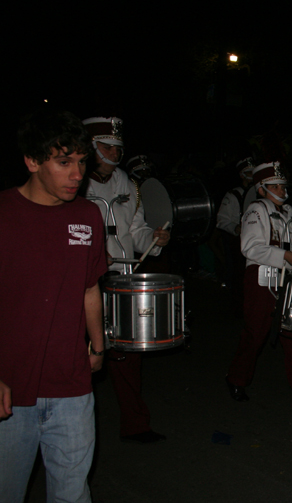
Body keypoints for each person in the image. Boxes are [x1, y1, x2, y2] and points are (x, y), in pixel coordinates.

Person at [0, 109, 107, 502]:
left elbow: (89, 287)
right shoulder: (4, 214)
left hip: (71, 387)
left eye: (81, 162)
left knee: (72, 494)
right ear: (32, 161)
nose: (77, 174)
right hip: (11, 389)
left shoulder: (87, 215)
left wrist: (98, 345)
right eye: (64, 163)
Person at [83, 116, 171, 444]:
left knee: (127, 354)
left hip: (121, 277)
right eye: (106, 146)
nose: (114, 153)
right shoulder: (75, 181)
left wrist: (155, 238)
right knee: (80, 354)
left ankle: (135, 425)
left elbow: (135, 231)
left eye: (118, 147)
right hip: (83, 281)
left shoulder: (125, 181)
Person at [226, 161, 292, 408]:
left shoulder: (289, 212)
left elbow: (288, 253)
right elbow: (250, 248)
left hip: (284, 280)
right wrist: (285, 257)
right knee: (255, 334)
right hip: (260, 281)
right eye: (276, 186)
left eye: (283, 185)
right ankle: (236, 378)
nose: (282, 190)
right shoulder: (255, 211)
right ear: (261, 189)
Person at [216, 157, 255, 311]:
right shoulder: (233, 195)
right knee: (237, 275)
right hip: (237, 241)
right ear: (242, 175)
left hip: (255, 240)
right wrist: (235, 227)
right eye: (249, 173)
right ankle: (238, 306)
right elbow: (221, 220)